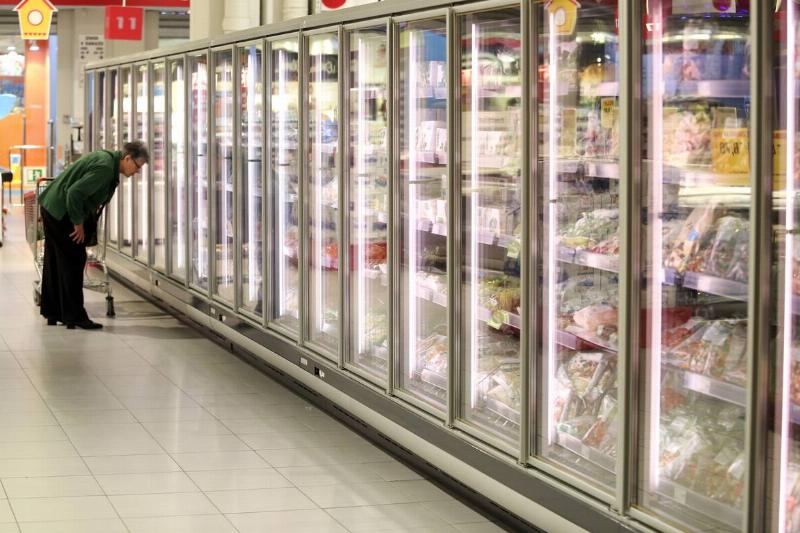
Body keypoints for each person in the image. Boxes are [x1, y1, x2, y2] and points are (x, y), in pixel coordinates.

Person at [38, 141, 149, 330]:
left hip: (52, 206)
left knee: (55, 260)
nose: (137, 171)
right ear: (128, 158)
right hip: (62, 211)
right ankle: (75, 316)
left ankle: (53, 312)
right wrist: (78, 223)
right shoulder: (106, 167)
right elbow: (74, 193)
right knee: (74, 260)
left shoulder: (107, 160)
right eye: (138, 166)